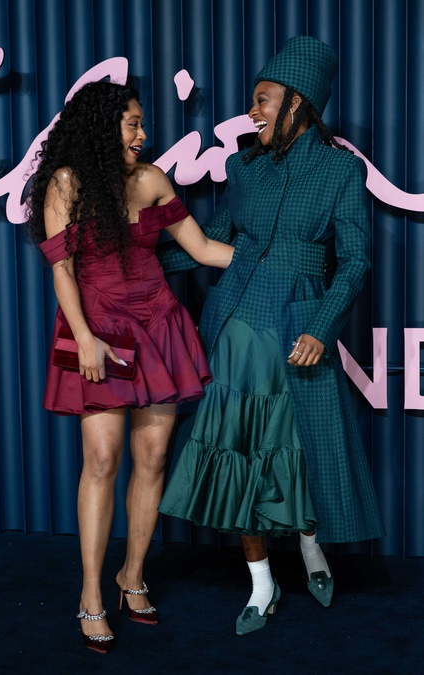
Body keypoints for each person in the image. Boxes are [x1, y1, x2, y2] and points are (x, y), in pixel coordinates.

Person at [158, 35, 385, 634]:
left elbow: (355, 261)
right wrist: (133, 259)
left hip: (298, 328)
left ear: (298, 102)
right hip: (235, 329)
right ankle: (262, 584)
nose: (251, 110)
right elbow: (205, 243)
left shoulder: (340, 170)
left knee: (298, 454)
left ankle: (311, 548)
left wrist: (321, 328)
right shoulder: (241, 168)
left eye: (262, 99)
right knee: (239, 459)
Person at [25, 80, 234, 653]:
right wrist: (85, 339)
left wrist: (275, 260)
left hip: (159, 325)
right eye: (133, 123)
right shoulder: (65, 184)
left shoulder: (151, 180)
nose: (144, 134)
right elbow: (62, 270)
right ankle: (91, 592)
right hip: (98, 331)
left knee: (153, 456)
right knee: (101, 459)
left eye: (142, 123)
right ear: (101, 127)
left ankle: (132, 576)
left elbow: (202, 250)